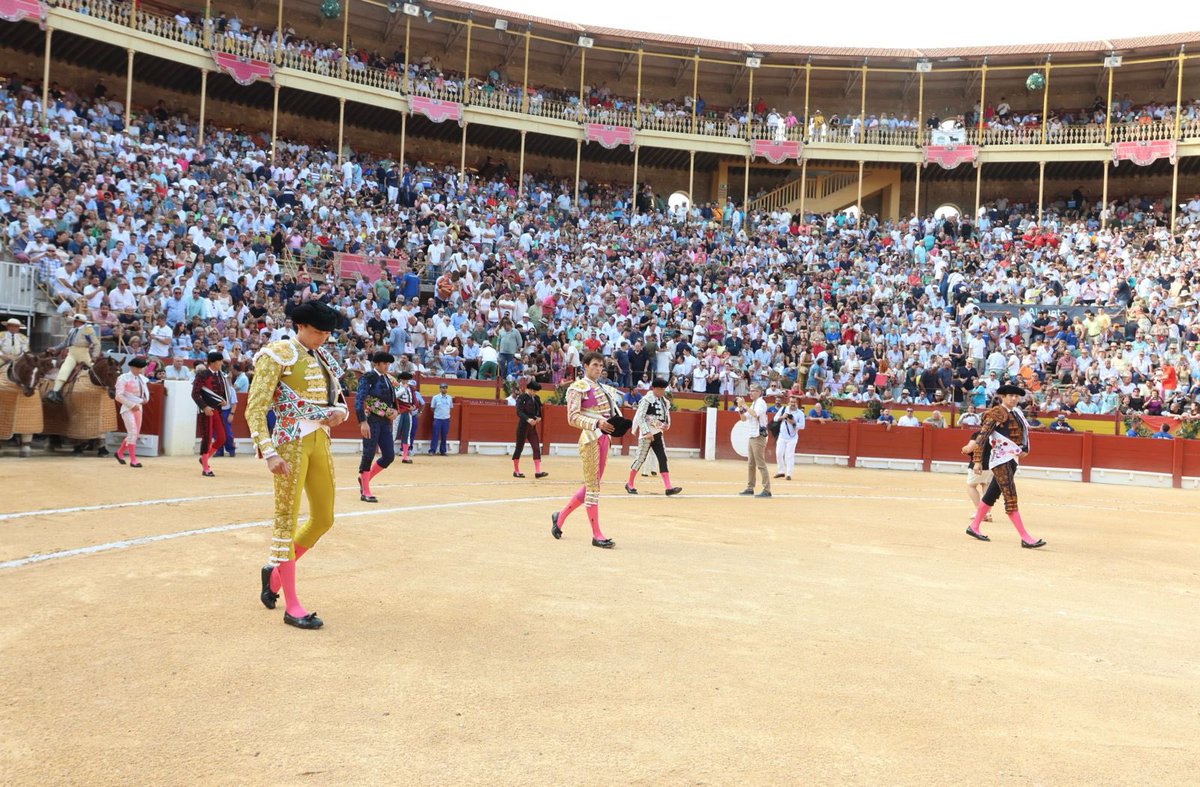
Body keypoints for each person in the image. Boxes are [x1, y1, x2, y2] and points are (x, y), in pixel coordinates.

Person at [246, 302, 348, 630]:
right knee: (286, 519)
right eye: (318, 332)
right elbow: (255, 408)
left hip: (319, 441)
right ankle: (293, 606)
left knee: (323, 518)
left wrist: (339, 415)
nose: (322, 338)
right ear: (300, 325)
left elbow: (339, 401)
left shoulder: (324, 357)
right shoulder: (276, 353)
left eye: (327, 333)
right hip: (289, 442)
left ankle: (274, 574)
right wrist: (269, 451)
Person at [551, 351, 623, 548]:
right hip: (591, 439)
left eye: (601, 366)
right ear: (585, 365)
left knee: (592, 484)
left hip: (604, 440)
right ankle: (596, 534)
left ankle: (560, 517)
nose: (599, 369)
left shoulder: (605, 389)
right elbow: (572, 418)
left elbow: (610, 414)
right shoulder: (577, 387)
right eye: (595, 365)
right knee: (593, 488)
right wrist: (597, 423)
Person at [962, 384, 1046, 549]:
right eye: (1010, 396)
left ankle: (974, 527)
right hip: (1001, 461)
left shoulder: (1016, 412)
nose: (1014, 398)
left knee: (990, 495)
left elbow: (1022, 434)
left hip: (1011, 459)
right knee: (1010, 497)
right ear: (1002, 397)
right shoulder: (996, 413)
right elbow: (982, 438)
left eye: (1016, 396)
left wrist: (1025, 449)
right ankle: (1025, 537)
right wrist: (977, 461)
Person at [355, 351, 400, 502]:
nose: (387, 366)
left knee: (388, 455)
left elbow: (391, 400)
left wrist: (394, 411)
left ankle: (364, 480)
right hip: (371, 420)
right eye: (385, 363)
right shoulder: (368, 377)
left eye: (388, 363)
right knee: (368, 453)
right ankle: (365, 491)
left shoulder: (387, 378)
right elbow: (360, 400)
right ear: (376, 364)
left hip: (384, 422)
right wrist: (363, 422)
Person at [625, 378, 681, 496]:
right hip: (647, 435)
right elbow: (641, 417)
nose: (662, 391)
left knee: (662, 458)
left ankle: (668, 487)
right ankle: (629, 483)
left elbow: (666, 417)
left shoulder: (664, 401)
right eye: (660, 389)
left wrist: (666, 426)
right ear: (654, 388)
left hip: (657, 433)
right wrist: (646, 432)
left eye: (663, 389)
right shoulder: (646, 400)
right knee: (640, 459)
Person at [45, 313, 99, 404]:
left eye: (75, 321)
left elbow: (97, 344)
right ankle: (55, 392)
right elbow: (66, 343)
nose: (74, 322)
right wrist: (55, 348)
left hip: (84, 353)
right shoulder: (72, 330)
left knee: (95, 371)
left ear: (79, 322)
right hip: (72, 354)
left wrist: (95, 355)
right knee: (64, 370)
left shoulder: (88, 330)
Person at [191, 351, 229, 477]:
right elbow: (195, 393)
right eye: (220, 361)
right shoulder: (203, 374)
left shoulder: (220, 375)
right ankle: (205, 467)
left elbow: (221, 392)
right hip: (205, 411)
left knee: (222, 438)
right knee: (206, 438)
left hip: (217, 410)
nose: (221, 363)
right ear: (213, 362)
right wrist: (204, 406)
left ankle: (204, 458)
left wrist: (223, 401)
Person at [735, 384, 772, 498]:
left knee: (760, 464)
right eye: (750, 391)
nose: (750, 393)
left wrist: (744, 405)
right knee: (751, 464)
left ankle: (767, 489)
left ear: (760, 392)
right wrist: (740, 408)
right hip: (752, 436)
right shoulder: (754, 404)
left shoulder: (761, 402)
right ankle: (750, 487)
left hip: (758, 436)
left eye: (753, 391)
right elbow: (744, 418)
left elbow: (755, 414)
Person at [113, 357, 150, 468]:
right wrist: (131, 405)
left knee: (134, 434)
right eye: (138, 368)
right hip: (127, 408)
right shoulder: (123, 378)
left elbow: (144, 393)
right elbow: (118, 396)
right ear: (132, 367)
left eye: (141, 368)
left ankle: (119, 453)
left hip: (138, 407)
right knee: (133, 432)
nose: (140, 370)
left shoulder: (142, 378)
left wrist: (144, 400)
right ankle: (133, 460)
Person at [512, 379, 548, 478]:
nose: (535, 393)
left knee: (536, 448)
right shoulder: (522, 397)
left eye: (536, 391)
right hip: (523, 427)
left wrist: (539, 417)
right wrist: (528, 419)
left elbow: (538, 411)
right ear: (529, 389)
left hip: (532, 427)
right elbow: (519, 412)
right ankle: (516, 470)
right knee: (519, 448)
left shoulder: (536, 398)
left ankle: (537, 472)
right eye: (533, 391)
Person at [960, 429, 993, 524]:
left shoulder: (978, 433)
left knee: (971, 486)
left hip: (978, 464)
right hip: (992, 464)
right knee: (986, 485)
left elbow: (970, 448)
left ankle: (981, 512)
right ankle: (988, 512)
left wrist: (963, 449)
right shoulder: (997, 433)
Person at [772, 394, 805, 481]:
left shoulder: (800, 413)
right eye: (791, 402)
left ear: (796, 403)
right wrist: (782, 417)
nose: (793, 403)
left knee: (789, 455)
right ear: (788, 402)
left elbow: (802, 426)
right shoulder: (783, 409)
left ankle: (789, 474)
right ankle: (781, 471)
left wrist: (793, 423)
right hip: (782, 436)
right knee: (778, 454)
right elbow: (775, 418)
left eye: (794, 402)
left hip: (792, 438)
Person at [212, 361, 240, 458]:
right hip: (216, 411)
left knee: (227, 433)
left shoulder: (230, 389)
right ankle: (219, 451)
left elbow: (234, 403)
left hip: (226, 412)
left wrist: (231, 414)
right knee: (216, 432)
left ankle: (231, 449)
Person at [393, 370, 417, 464]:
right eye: (404, 379)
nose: (406, 381)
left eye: (407, 380)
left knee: (407, 434)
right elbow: (395, 396)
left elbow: (414, 400)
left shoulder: (410, 388)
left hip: (408, 412)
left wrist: (414, 406)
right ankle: (387, 454)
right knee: (394, 433)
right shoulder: (397, 386)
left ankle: (405, 456)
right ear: (401, 379)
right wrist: (403, 388)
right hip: (399, 412)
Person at [428, 382, 453, 455]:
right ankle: (432, 450)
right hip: (438, 419)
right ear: (440, 389)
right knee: (435, 434)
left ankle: (443, 451)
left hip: (446, 419)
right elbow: (432, 408)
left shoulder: (449, 398)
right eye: (442, 388)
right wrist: (438, 414)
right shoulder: (435, 397)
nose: (444, 389)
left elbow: (450, 408)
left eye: (445, 388)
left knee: (444, 435)